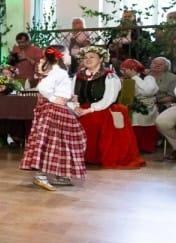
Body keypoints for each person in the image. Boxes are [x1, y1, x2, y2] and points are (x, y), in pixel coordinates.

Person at [20, 45, 86, 190]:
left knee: (59, 143)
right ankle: (41, 175)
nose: (70, 55)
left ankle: (58, 174)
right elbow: (43, 87)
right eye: (68, 53)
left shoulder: (59, 71)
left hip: (57, 110)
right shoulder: (59, 72)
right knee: (51, 142)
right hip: (54, 111)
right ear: (61, 55)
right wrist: (54, 98)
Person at [72, 45, 144, 169]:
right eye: (85, 57)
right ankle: (71, 157)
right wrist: (75, 107)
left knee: (92, 121)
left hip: (102, 108)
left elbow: (108, 99)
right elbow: (73, 95)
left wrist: (88, 110)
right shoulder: (78, 76)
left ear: (100, 59)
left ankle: (92, 156)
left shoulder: (109, 76)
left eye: (92, 57)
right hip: (82, 107)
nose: (88, 59)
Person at [119, 58, 159, 154]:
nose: (123, 72)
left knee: (140, 117)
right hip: (128, 105)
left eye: (125, 69)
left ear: (133, 69)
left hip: (146, 106)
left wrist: (134, 77)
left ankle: (144, 147)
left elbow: (148, 92)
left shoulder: (148, 78)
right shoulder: (123, 79)